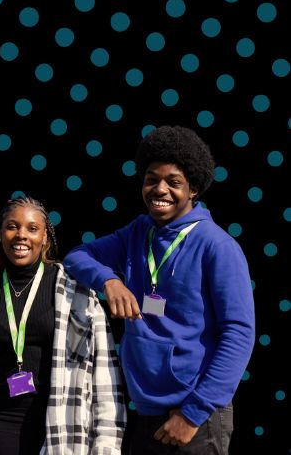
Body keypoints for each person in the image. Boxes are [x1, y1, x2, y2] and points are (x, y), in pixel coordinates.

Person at [62, 126, 254, 454]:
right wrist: (110, 281)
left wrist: (193, 414)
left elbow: (239, 335)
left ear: (193, 188)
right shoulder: (139, 231)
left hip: (196, 414)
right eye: (151, 179)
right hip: (146, 411)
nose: (159, 189)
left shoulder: (218, 246)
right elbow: (76, 257)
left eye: (173, 182)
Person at [0, 196, 125, 455]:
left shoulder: (78, 295)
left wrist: (106, 446)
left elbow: (105, 380)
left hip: (61, 427)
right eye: (12, 226)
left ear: (45, 238)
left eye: (32, 228)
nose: (21, 235)